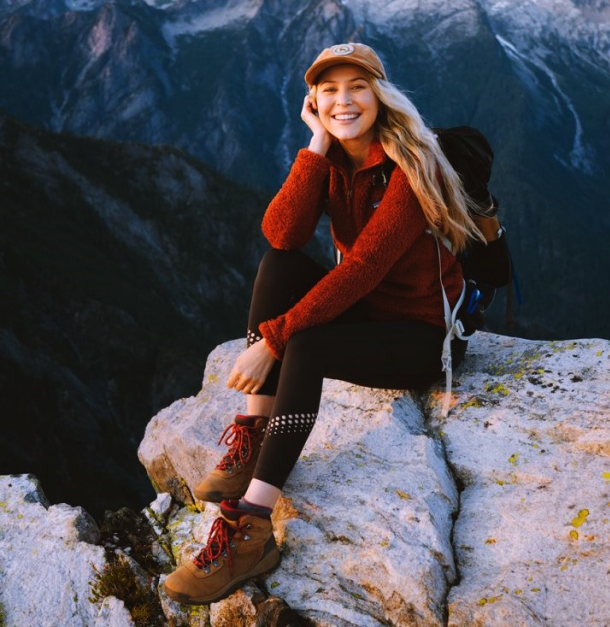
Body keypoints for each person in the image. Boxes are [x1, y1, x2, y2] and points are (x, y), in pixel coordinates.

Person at [163, 42, 485, 605]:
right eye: (329, 89)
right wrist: (314, 147)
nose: (344, 100)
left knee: (304, 345)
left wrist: (274, 340)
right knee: (280, 266)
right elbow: (282, 235)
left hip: (421, 339)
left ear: (379, 94)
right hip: (368, 317)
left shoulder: (413, 165)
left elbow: (360, 272)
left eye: (357, 86)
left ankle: (251, 529)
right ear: (313, 99)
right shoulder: (333, 156)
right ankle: (256, 428)